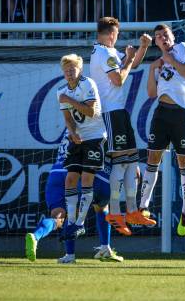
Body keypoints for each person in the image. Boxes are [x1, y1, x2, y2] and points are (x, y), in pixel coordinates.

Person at [90, 17, 156, 236]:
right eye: (117, 34)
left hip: (119, 112)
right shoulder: (105, 54)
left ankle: (132, 210)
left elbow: (133, 63)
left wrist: (143, 48)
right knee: (120, 163)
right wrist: (128, 59)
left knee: (131, 161)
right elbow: (119, 79)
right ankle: (116, 212)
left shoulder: (103, 52)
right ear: (111, 34)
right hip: (110, 112)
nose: (117, 37)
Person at [25, 128, 122, 263]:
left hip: (56, 172)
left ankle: (37, 237)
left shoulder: (70, 124)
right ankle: (105, 248)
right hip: (75, 171)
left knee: (58, 216)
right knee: (100, 207)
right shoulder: (94, 125)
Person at [139, 24, 185, 237]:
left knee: (184, 161)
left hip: (182, 113)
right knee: (153, 157)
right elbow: (152, 93)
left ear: (172, 36)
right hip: (162, 112)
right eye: (158, 36)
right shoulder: (158, 63)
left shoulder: (182, 48)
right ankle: (143, 206)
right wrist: (152, 69)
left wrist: (170, 60)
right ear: (155, 42)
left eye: (165, 34)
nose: (162, 38)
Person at [57, 54, 107, 241]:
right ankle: (71, 223)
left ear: (80, 70)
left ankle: (80, 223)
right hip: (78, 139)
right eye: (66, 70)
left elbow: (91, 111)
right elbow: (68, 119)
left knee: (87, 178)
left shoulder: (88, 84)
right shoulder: (61, 92)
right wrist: (72, 132)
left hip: (95, 136)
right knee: (70, 179)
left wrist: (69, 100)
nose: (69, 73)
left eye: (73, 69)